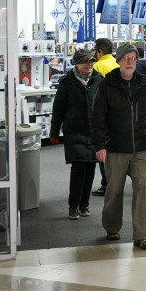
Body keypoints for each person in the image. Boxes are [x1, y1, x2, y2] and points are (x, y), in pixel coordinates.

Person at [91, 44, 146, 249]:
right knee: (114, 190)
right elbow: (98, 118)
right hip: (115, 147)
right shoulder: (107, 85)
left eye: (133, 58)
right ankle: (112, 227)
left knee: (141, 189)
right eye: (126, 58)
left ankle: (142, 235)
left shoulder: (145, 86)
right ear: (118, 61)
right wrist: (100, 145)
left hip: (141, 147)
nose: (130, 62)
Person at [49, 49, 103, 220]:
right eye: (86, 61)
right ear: (76, 64)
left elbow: (106, 107)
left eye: (92, 61)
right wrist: (54, 132)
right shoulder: (67, 82)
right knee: (79, 168)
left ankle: (84, 205)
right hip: (75, 131)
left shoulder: (99, 80)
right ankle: (73, 206)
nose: (89, 64)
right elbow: (58, 109)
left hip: (95, 132)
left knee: (91, 168)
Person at [91, 37, 119, 196]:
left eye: (95, 50)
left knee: (102, 149)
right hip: (118, 113)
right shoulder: (116, 63)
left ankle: (106, 183)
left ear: (100, 51)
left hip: (105, 114)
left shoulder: (98, 66)